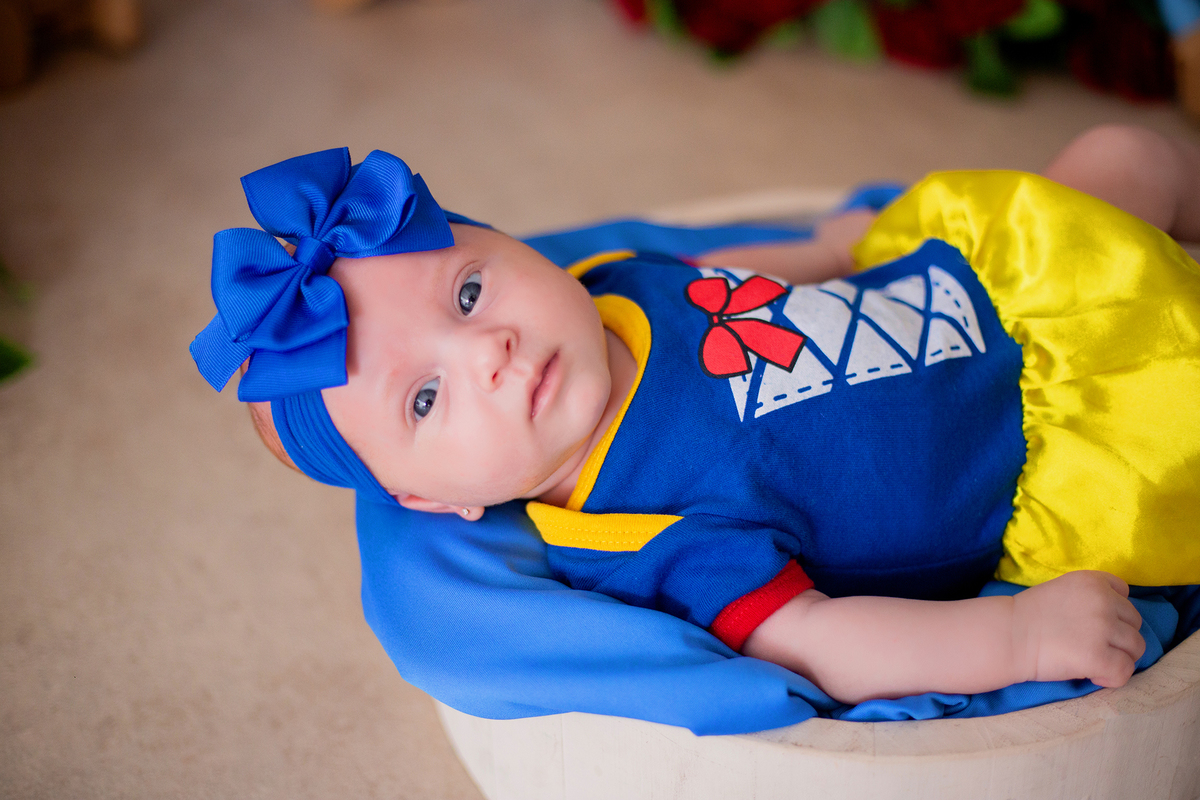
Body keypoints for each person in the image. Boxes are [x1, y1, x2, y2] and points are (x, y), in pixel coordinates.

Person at [192, 124, 1200, 706]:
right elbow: (817, 638)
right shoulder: (631, 528)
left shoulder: (607, 285)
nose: (489, 351)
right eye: (426, 396)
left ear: (515, 251)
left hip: (988, 288)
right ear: (429, 497)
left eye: (468, 293)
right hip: (1049, 447)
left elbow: (725, 278)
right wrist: (1020, 637)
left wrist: (837, 248)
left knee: (1131, 157)